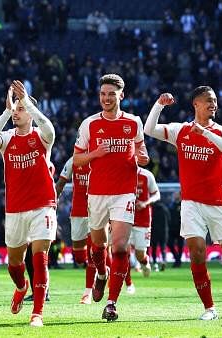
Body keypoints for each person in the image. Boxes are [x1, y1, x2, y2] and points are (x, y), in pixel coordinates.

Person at [144, 87, 222, 320]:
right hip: (191, 203)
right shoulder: (181, 131)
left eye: (215, 101)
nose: (213, 104)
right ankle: (210, 308)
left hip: (219, 202)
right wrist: (159, 104)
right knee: (196, 252)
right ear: (196, 104)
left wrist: (205, 134)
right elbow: (149, 129)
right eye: (208, 101)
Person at [73, 74, 149, 321]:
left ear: (121, 96)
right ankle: (102, 274)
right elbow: (77, 160)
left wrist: (143, 158)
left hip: (124, 193)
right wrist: (95, 153)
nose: (106, 98)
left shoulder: (134, 123)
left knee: (118, 248)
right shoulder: (89, 124)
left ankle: (112, 303)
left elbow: (141, 151)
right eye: (103, 94)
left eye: (111, 94)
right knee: (98, 246)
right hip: (96, 193)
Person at [0, 81, 57, 327]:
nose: (16, 112)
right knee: (14, 263)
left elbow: (49, 128)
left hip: (43, 205)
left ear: (30, 112)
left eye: (20, 109)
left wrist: (27, 102)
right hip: (15, 208)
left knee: (40, 257)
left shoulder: (41, 136)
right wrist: (6, 111)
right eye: (15, 109)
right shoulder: (7, 139)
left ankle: (37, 313)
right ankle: (21, 286)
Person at [56, 156, 95, 304]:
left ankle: (88, 292)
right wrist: (52, 201)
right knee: (79, 258)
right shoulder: (73, 161)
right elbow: (60, 184)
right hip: (78, 212)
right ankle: (101, 269)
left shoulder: (99, 158)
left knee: (94, 252)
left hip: (96, 211)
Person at [129, 166, 161, 280]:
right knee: (122, 250)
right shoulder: (120, 173)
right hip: (125, 217)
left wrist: (145, 203)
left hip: (143, 219)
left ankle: (144, 262)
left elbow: (157, 194)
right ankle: (125, 281)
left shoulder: (147, 175)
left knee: (140, 253)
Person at [150, 199, 171, 272]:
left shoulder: (152, 209)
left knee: (154, 248)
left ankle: (155, 264)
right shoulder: (165, 208)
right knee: (163, 247)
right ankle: (164, 261)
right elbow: (169, 219)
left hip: (154, 231)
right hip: (164, 231)